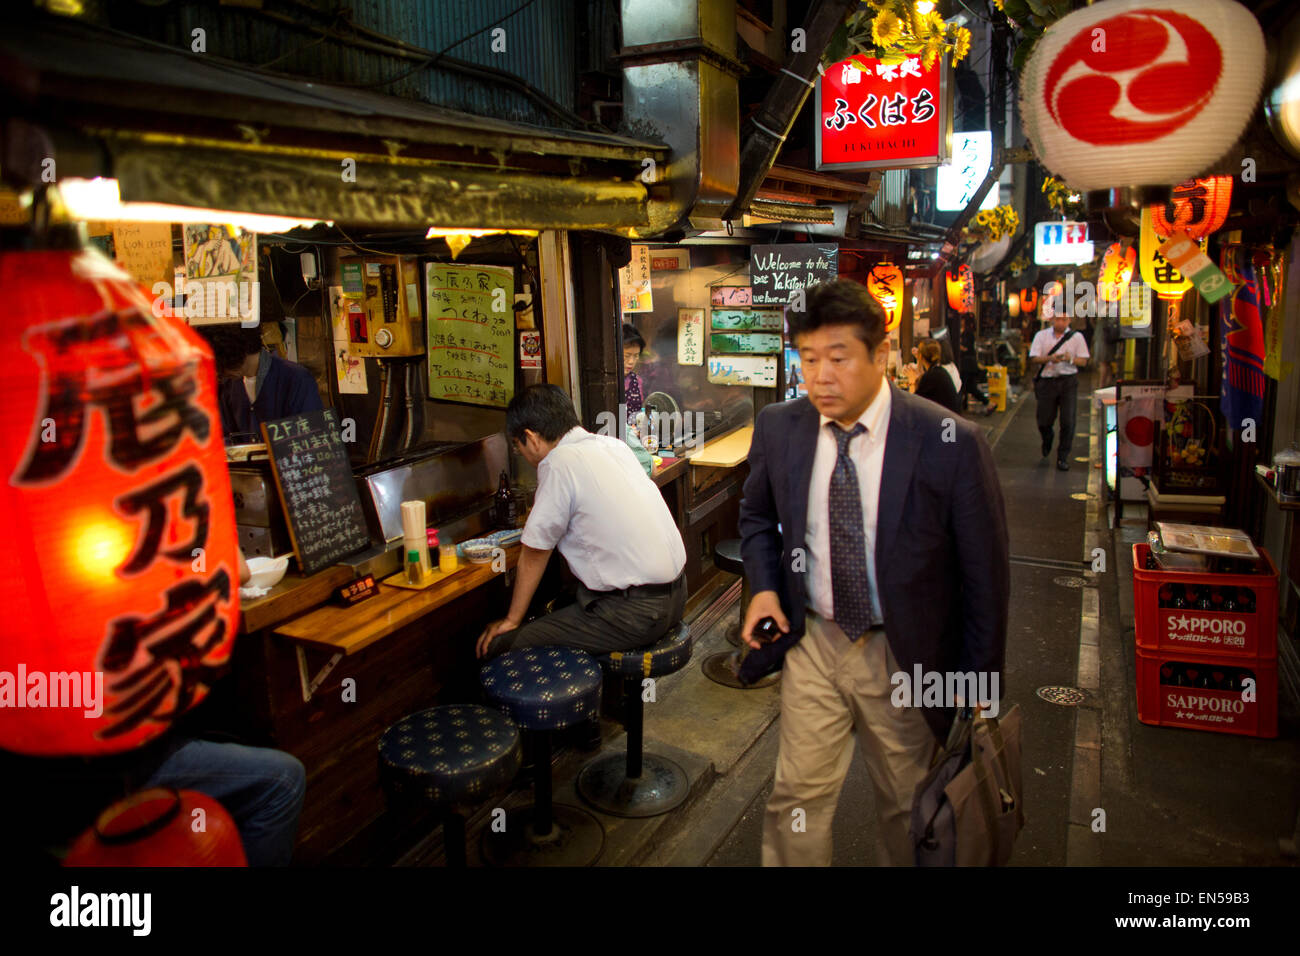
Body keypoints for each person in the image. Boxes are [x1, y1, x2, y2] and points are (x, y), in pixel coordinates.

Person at [736, 279, 1010, 867]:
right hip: (812, 640)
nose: (821, 378)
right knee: (795, 799)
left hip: (905, 652)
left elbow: (986, 577)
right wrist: (762, 588)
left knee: (907, 805)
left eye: (838, 358)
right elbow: (756, 515)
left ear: (880, 355)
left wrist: (979, 687)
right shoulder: (781, 427)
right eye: (808, 360)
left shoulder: (949, 441)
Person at [475, 384, 686, 659]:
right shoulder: (613, 445)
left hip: (636, 615)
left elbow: (535, 552)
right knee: (562, 601)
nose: (524, 457)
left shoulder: (558, 462)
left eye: (518, 448)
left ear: (530, 437)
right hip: (677, 596)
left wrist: (512, 620)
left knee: (502, 645)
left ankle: (589, 700)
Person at [195, 325, 322, 440]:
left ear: (233, 351)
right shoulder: (228, 384)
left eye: (220, 365)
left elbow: (310, 435)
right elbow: (222, 435)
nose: (218, 373)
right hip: (243, 465)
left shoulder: (296, 378)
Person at [1029, 311, 1090, 471]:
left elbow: (1083, 361)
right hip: (1047, 382)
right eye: (1058, 319)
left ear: (1069, 320)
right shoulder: (1041, 336)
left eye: (1064, 319)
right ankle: (1047, 438)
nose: (1061, 323)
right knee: (1044, 420)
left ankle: (1063, 457)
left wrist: (1070, 359)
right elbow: (1034, 357)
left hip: (1068, 382)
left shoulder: (1077, 338)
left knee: (1068, 421)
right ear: (1051, 320)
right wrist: (1051, 358)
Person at [903, 339, 961, 414]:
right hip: (950, 418)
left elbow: (913, 405)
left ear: (920, 356)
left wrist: (911, 380)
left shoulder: (932, 376)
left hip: (944, 422)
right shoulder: (939, 371)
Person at [623, 324, 647, 425]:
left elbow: (642, 412)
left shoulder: (637, 381)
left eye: (636, 356)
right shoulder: (608, 382)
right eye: (627, 355)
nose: (631, 361)